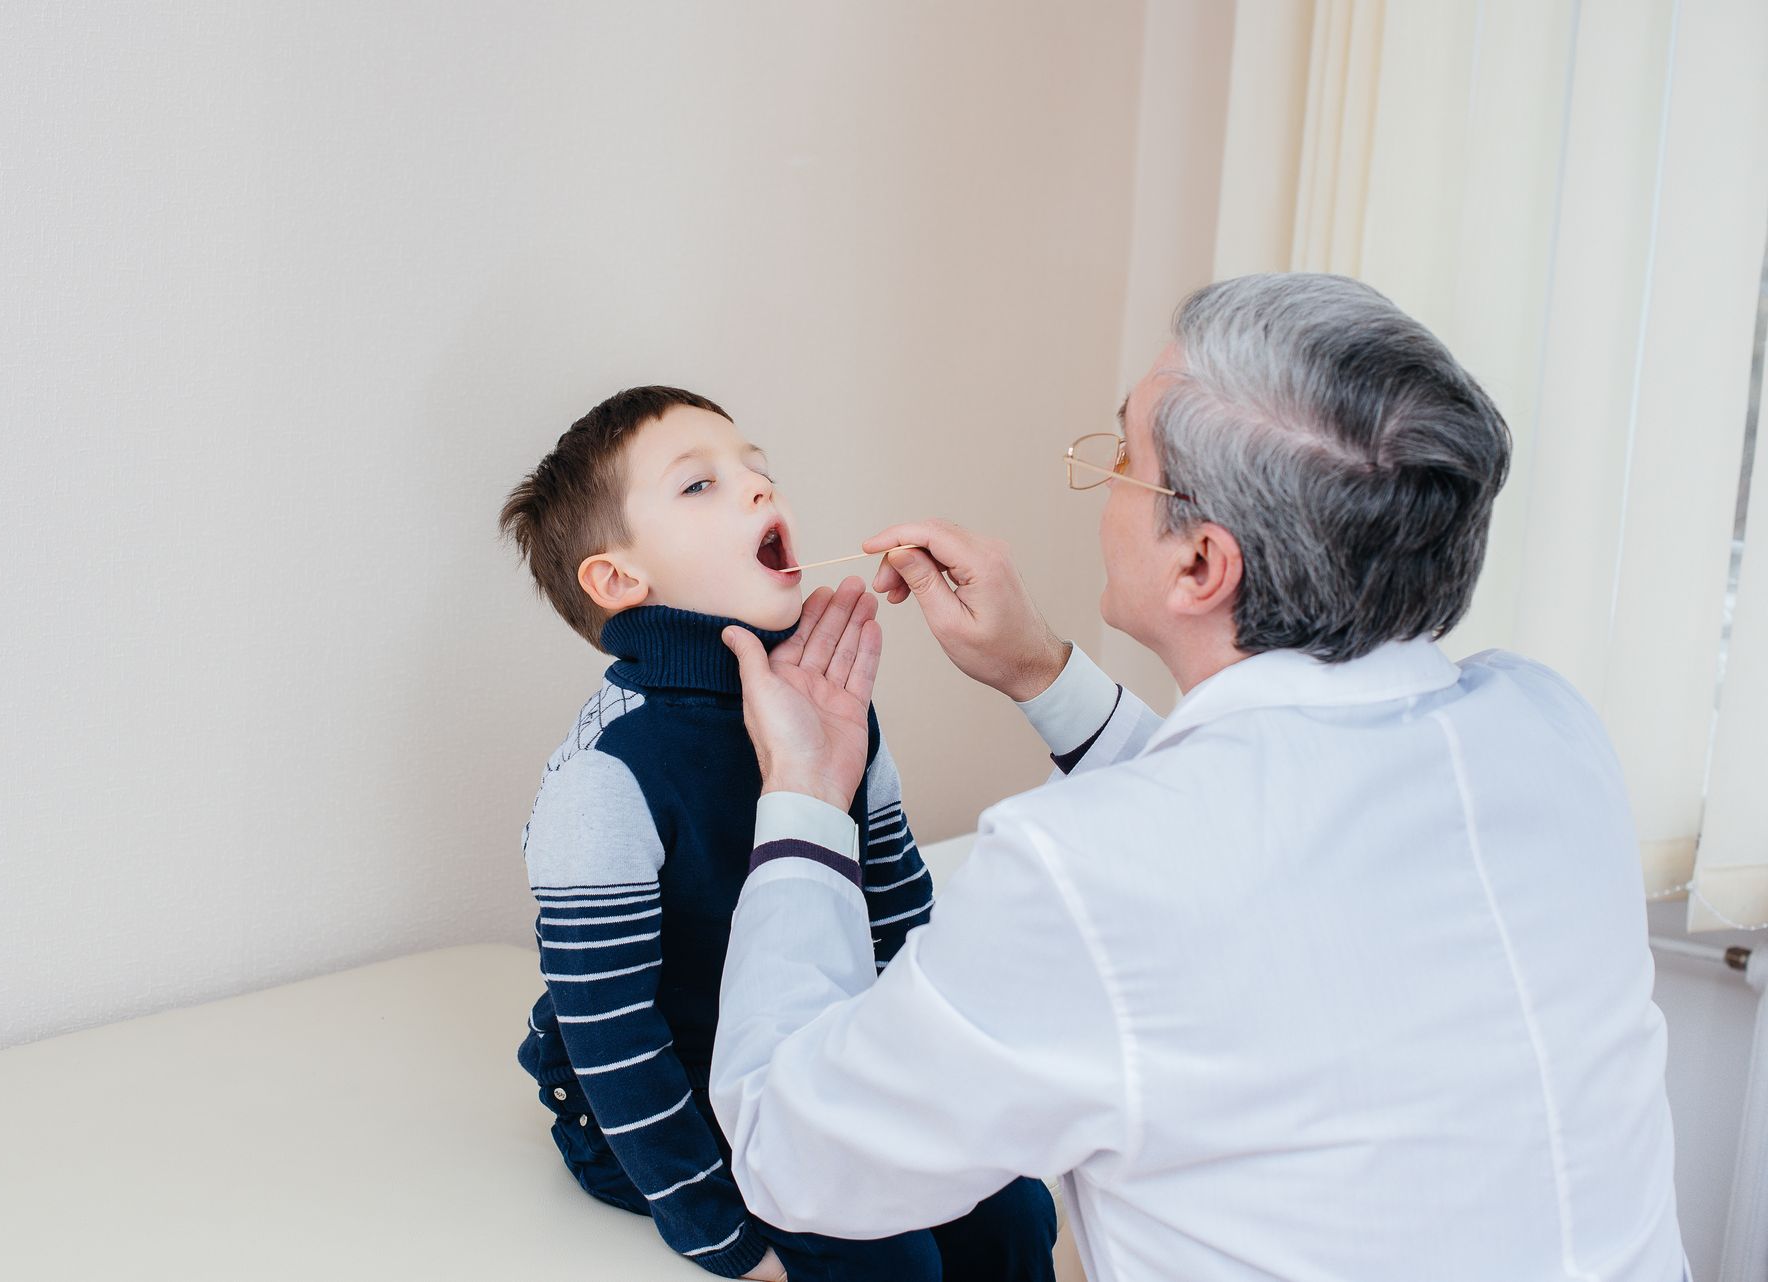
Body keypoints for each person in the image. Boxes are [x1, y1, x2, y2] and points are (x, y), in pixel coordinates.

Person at [710, 275, 1687, 1281]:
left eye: (1125, 453)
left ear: (1200, 566)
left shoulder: (1082, 870)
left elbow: (795, 1158)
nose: (1108, 472)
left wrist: (805, 790)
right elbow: (1271, 842)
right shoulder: (1547, 726)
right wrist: (1042, 672)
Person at [498, 386, 1057, 1281]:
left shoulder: (837, 713)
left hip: (804, 1069)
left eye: (758, 471)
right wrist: (723, 1234)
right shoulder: (608, 774)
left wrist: (931, 1106)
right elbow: (611, 1034)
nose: (760, 490)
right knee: (891, 1261)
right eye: (701, 486)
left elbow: (901, 925)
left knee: (1014, 1211)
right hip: (664, 1110)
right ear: (616, 579)